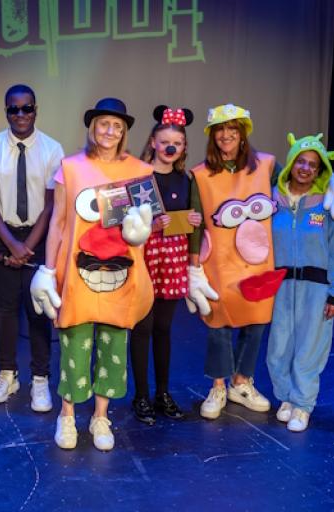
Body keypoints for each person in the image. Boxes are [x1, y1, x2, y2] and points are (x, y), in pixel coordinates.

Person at [186, 104, 334, 421]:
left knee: (257, 329)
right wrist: (193, 266)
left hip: (259, 267)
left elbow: (302, 177)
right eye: (221, 130)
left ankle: (244, 383)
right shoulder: (200, 174)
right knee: (221, 327)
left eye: (233, 129)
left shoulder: (266, 166)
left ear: (242, 136)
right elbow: (195, 223)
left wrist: (333, 182)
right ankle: (219, 386)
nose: (226, 135)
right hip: (220, 264)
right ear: (213, 136)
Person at [30, 98, 154, 451]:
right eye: (103, 124)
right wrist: (48, 268)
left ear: (124, 131)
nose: (110, 131)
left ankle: (101, 415)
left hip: (121, 270)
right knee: (75, 342)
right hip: (77, 269)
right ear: (92, 128)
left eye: (117, 126)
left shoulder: (141, 169)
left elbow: (146, 224)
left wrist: (139, 233)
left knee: (115, 343)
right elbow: (57, 221)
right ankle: (67, 415)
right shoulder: (69, 167)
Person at [0, 84, 64, 412]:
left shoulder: (52, 149)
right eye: (13, 110)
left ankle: (40, 379)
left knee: (38, 310)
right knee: (4, 310)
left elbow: (50, 204)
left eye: (26, 108)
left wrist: (27, 246)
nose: (20, 115)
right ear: (6, 112)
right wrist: (12, 244)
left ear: (35, 110)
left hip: (39, 238)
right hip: (3, 234)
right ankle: (7, 374)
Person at [266, 133, 334, 432]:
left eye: (313, 165)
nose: (305, 168)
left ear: (320, 170)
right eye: (301, 161)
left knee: (310, 348)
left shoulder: (328, 204)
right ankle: (285, 397)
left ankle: (303, 404)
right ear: (291, 164)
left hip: (317, 288)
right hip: (280, 285)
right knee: (278, 348)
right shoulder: (272, 199)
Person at [129, 106, 201, 425]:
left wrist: (192, 220)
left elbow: (187, 219)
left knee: (163, 328)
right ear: (154, 143)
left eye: (177, 143)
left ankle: (162, 393)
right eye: (164, 142)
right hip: (145, 256)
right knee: (142, 327)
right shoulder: (140, 178)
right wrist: (152, 226)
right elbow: (128, 221)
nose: (170, 148)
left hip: (172, 258)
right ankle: (141, 395)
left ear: (184, 148)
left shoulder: (187, 180)